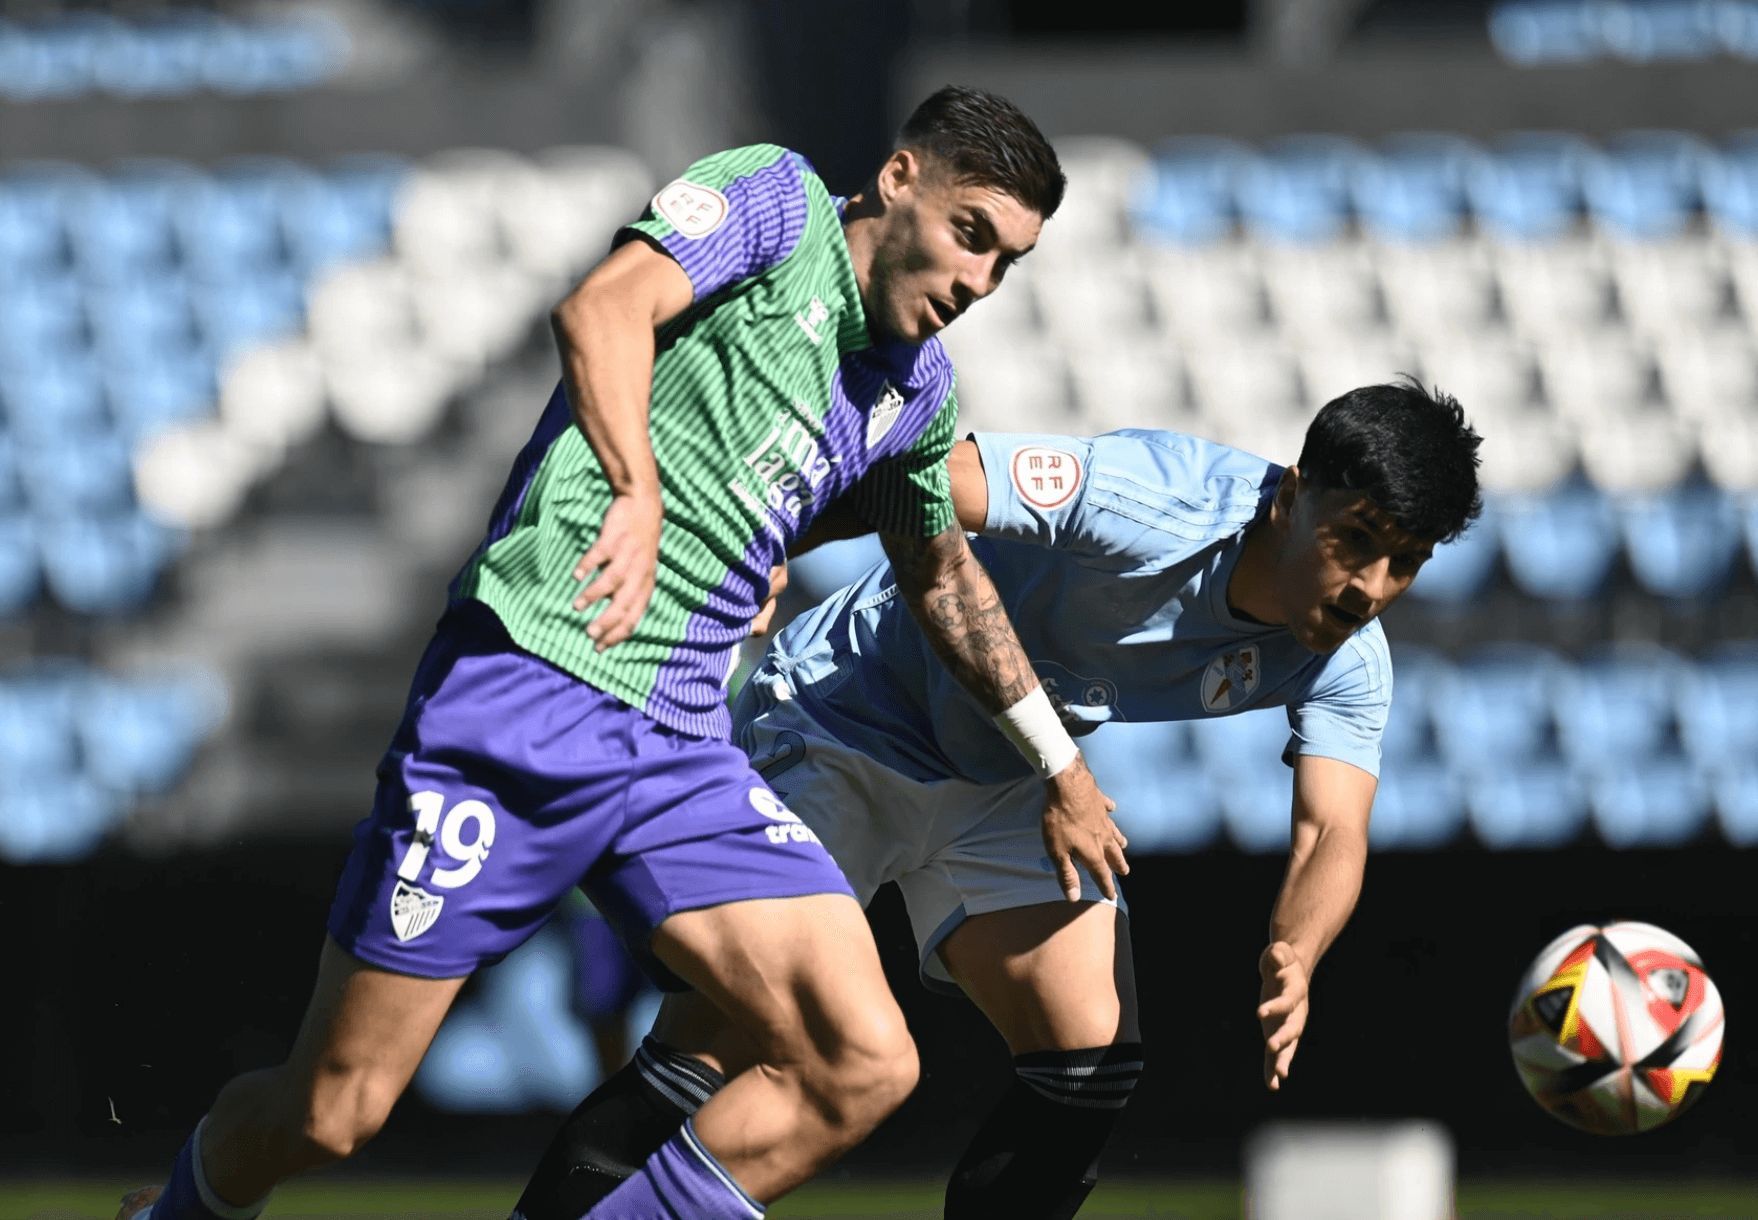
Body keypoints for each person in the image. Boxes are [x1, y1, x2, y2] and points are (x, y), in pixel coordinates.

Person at [118, 85, 1127, 1220]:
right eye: (970, 234)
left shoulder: (913, 395)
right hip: (524, 696)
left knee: (865, 1061)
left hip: (680, 749)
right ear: (899, 181)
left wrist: (1061, 765)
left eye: (1008, 265)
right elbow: (600, 309)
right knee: (335, 1110)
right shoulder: (775, 200)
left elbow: (942, 574)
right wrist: (637, 489)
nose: (977, 283)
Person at [509, 379, 1485, 1220]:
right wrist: (764, 548)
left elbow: (1332, 831)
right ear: (1292, 495)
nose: (1372, 586)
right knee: (721, 1050)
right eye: (1356, 541)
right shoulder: (1151, 498)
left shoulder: (1351, 656)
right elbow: (919, 482)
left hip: (1013, 768)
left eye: (1406, 561)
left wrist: (1299, 947)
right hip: (850, 716)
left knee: (1089, 1058)